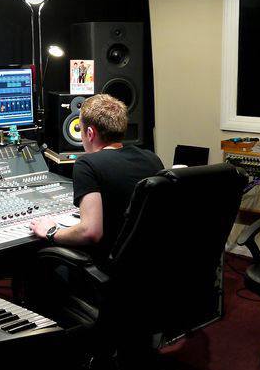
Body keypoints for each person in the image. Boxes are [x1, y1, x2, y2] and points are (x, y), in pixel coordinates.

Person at [30, 94, 163, 262]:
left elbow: (90, 232)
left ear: (90, 133)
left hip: (110, 269)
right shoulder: (152, 159)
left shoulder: (87, 164)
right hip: (150, 263)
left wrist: (51, 232)